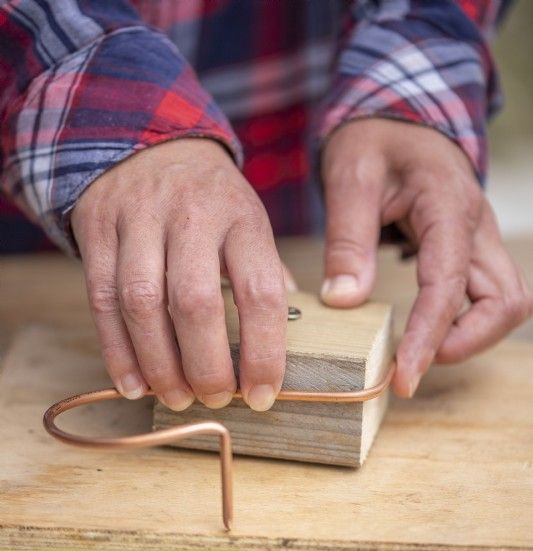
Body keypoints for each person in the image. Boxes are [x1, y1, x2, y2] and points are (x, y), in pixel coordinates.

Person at [1, 0, 531, 412]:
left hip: (296, 165)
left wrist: (412, 82)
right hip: (29, 223)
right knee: (150, 295)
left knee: (243, 300)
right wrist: (103, 106)